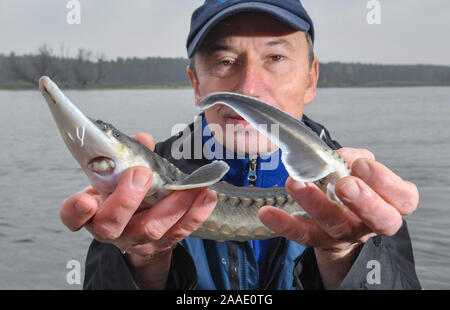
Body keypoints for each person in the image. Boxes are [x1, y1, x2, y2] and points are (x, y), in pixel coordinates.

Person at [61, 0, 421, 290]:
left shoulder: (359, 191)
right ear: (196, 83)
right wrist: (142, 263)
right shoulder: (138, 193)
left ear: (311, 79)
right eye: (225, 61)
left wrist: (343, 253)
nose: (248, 88)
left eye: (275, 58)